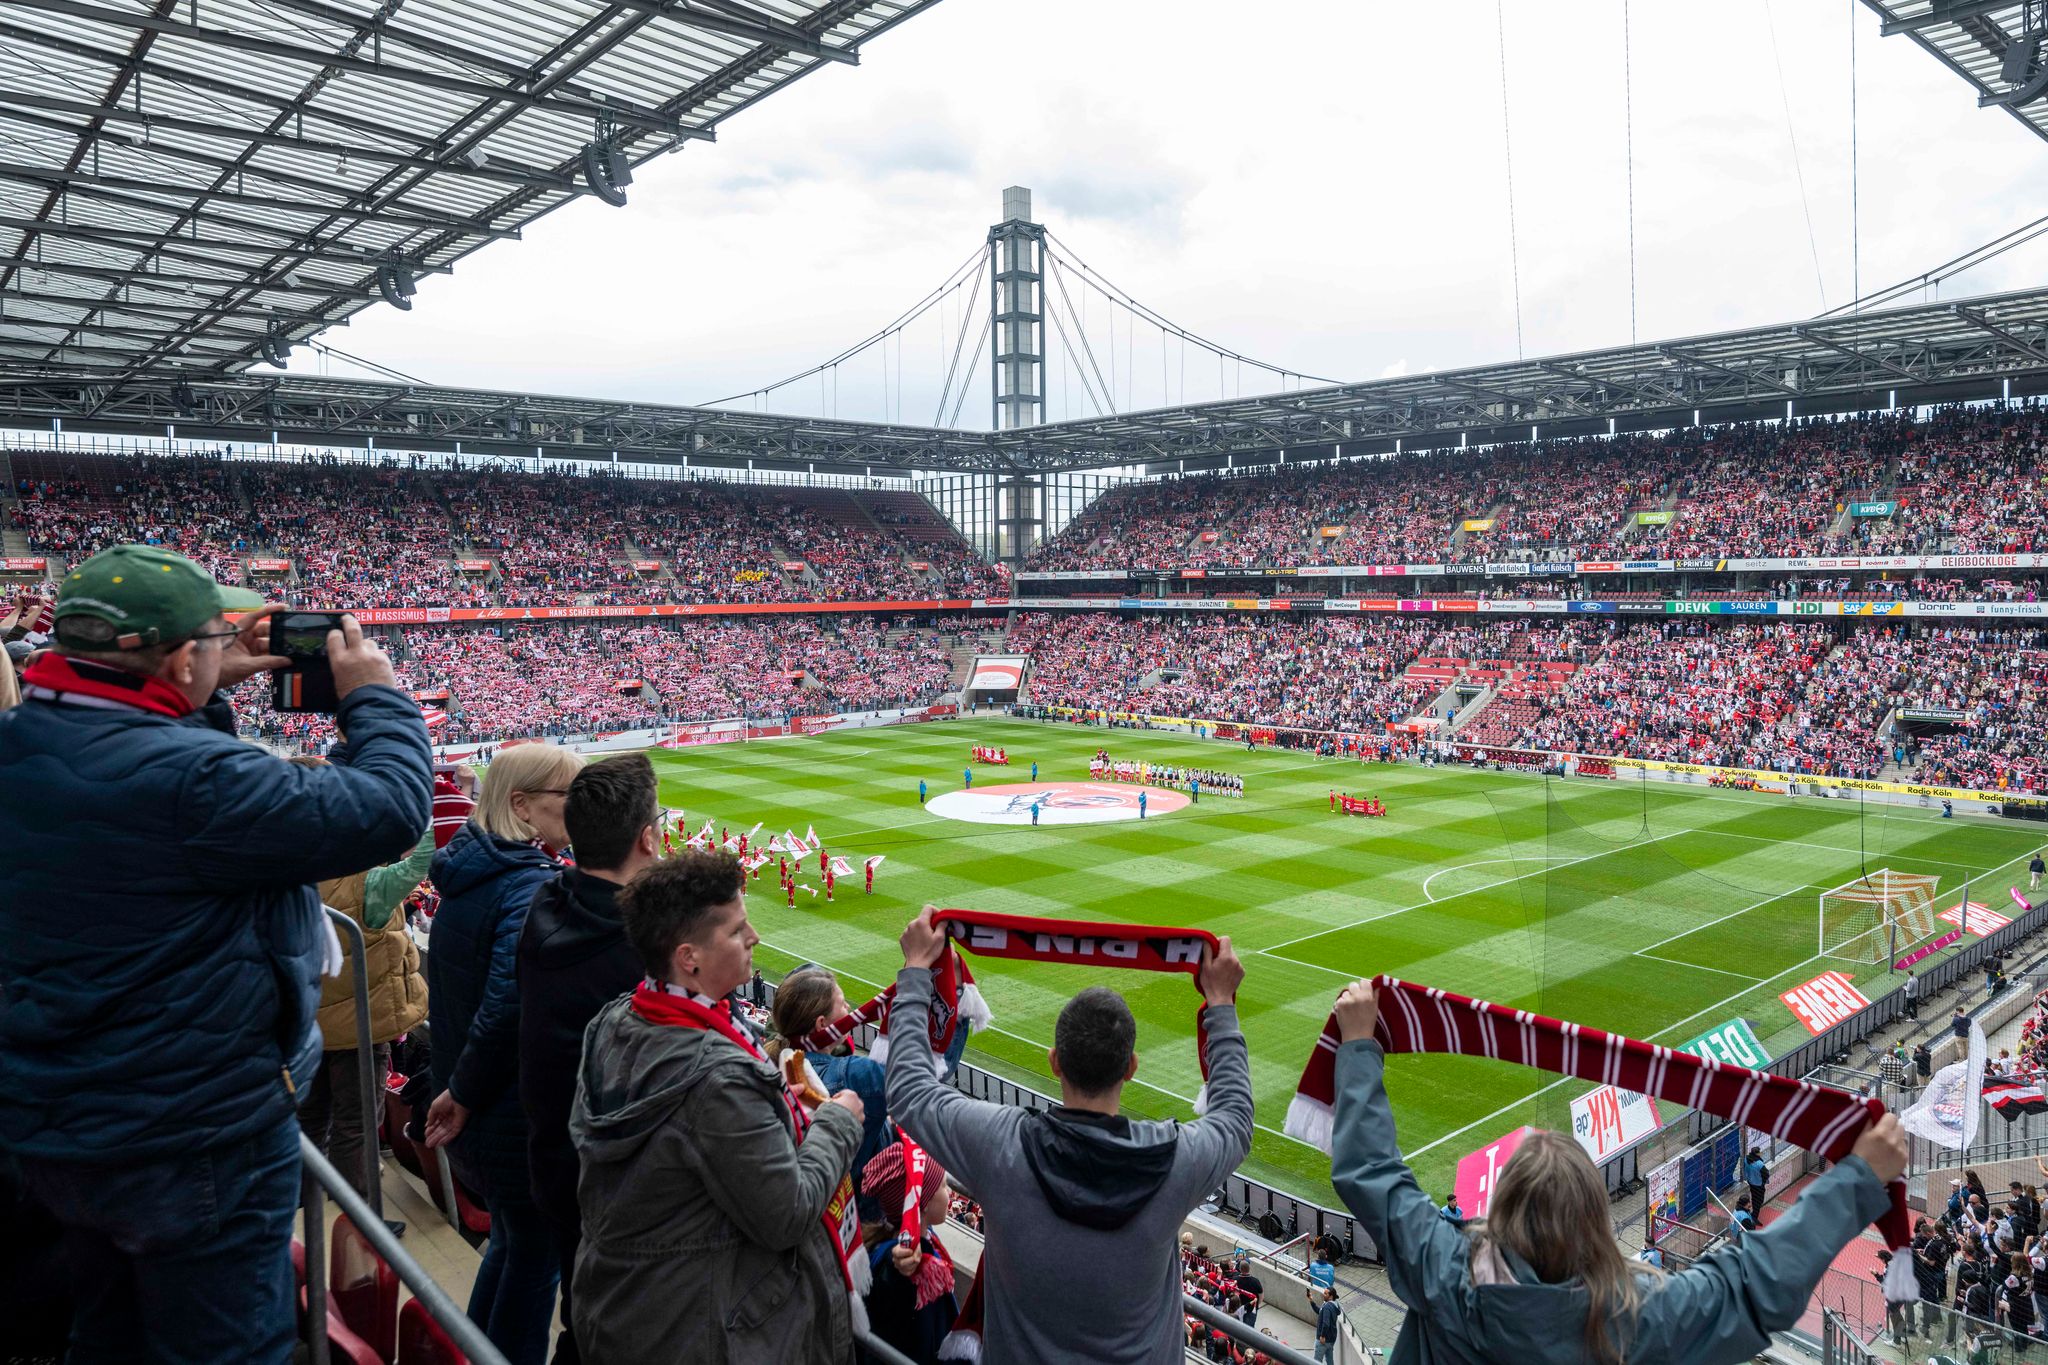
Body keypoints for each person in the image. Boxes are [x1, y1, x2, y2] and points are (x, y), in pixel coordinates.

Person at [0, 546, 432, 1364]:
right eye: (211, 635)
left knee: (109, 1330)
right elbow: (387, 808)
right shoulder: (199, 782)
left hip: (58, 1121)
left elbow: (133, 774)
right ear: (173, 655)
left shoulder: (21, 740)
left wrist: (195, 690)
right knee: (228, 1345)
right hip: (190, 1132)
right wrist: (376, 696)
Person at [1324, 976, 1910, 1365]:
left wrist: (1357, 1045)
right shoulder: (1638, 1315)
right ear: (1594, 1219)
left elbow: (1368, 1169)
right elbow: (1756, 1288)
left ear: (1498, 1210)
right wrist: (1858, 1179)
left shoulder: (1443, 1267)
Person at [884, 905, 1253, 1364]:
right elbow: (1235, 1120)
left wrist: (917, 970)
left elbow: (909, 1090)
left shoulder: (1002, 1143)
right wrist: (1219, 1004)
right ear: (1132, 1068)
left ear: (1054, 1061)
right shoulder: (1175, 1158)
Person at [571, 852, 866, 1364]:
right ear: (690, 958)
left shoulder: (615, 1020)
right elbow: (787, 1214)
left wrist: (765, 1111)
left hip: (627, 1302)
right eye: (736, 930)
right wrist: (838, 1123)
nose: (753, 936)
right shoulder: (717, 1078)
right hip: (699, 1326)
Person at [424, 743, 585, 1365]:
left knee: (515, 1250)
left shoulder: (476, 871)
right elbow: (506, 1006)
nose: (580, 811)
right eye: (568, 798)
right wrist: (462, 1093)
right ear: (521, 805)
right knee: (533, 1263)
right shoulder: (524, 885)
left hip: (482, 1108)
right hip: (505, 1113)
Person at [514, 753, 661, 1365]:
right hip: (618, 1191)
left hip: (555, 1161)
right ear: (649, 837)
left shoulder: (547, 906)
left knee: (586, 1319)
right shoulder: (638, 952)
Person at [293, 750, 437, 1235]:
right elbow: (424, 855)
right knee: (357, 1125)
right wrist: (423, 796)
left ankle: (299, 1205)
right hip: (359, 1027)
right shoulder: (365, 879)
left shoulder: (279, 864)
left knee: (311, 1121)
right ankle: (363, 1223)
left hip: (304, 1025)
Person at [770, 966, 890, 1202]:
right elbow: (925, 1076)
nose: (849, 1009)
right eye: (843, 1004)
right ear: (822, 1024)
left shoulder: (776, 1064)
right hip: (858, 1215)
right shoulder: (855, 1075)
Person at [858, 1141, 960, 1365]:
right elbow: (895, 1270)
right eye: (943, 1186)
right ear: (922, 1204)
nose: (950, 1191)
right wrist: (898, 1267)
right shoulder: (907, 1267)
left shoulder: (915, 1234)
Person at [1309, 1285, 1341, 1364]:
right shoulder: (1334, 1305)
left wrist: (1322, 1336)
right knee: (1330, 1361)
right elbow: (1319, 1311)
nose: (1324, 1294)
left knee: (1316, 1362)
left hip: (1323, 1341)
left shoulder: (1327, 1307)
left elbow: (1326, 1324)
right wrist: (1311, 1300)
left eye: (1326, 1294)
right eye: (1324, 1293)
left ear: (1331, 1296)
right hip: (1331, 1340)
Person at [1744, 1148, 1768, 1221]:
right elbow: (1766, 1174)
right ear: (1757, 1154)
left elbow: (1744, 1168)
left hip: (1751, 1182)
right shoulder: (1759, 1163)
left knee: (1754, 1198)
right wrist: (1763, 1182)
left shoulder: (1746, 1159)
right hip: (1758, 1184)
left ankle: (1754, 1214)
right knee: (1760, 1200)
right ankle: (1755, 1217)